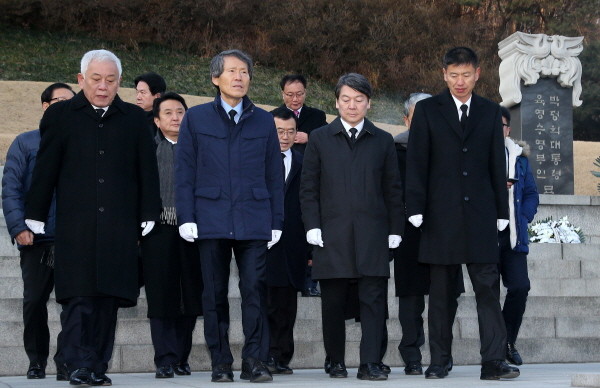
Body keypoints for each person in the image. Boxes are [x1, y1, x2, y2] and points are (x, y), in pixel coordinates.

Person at [25, 49, 161, 386]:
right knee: (80, 297)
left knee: (108, 300)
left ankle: (96, 365)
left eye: (111, 80)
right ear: (81, 80)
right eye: (96, 79)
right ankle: (79, 364)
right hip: (76, 225)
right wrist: (35, 213)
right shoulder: (60, 116)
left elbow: (147, 169)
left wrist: (148, 211)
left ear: (118, 83)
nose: (103, 86)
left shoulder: (133, 118)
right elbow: (46, 168)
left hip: (119, 224)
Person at [405, 46, 520, 380]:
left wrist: (501, 209)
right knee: (441, 293)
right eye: (453, 75)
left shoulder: (489, 110)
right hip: (440, 216)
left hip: (482, 216)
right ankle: (439, 360)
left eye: (466, 75)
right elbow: (417, 162)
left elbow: (496, 163)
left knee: (488, 288)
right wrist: (415, 206)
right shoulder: (427, 110)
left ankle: (493, 361)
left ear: (477, 74)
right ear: (444, 74)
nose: (460, 81)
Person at [175, 49, 284, 383]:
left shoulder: (264, 119)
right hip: (210, 217)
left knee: (255, 291)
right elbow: (185, 171)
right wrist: (186, 216)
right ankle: (220, 362)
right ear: (215, 78)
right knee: (214, 294)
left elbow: (274, 175)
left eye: (245, 72)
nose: (240, 77)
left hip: (253, 218)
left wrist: (276, 220)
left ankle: (255, 360)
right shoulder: (196, 118)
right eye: (233, 71)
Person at [300, 73, 403, 381]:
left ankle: (370, 362)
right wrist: (312, 226)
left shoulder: (382, 140)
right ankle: (334, 359)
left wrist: (396, 228)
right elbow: (308, 188)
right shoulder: (319, 138)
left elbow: (393, 189)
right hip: (331, 233)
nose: (352, 105)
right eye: (346, 99)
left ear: (368, 103)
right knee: (332, 302)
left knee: (373, 301)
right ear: (336, 102)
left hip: (372, 234)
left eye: (359, 99)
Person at [2, 82, 75, 380]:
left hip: (73, 239)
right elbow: (11, 188)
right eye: (59, 101)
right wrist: (19, 227)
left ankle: (66, 360)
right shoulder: (26, 142)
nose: (65, 107)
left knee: (74, 303)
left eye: (71, 103)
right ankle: (36, 361)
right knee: (34, 302)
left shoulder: (82, 143)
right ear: (45, 106)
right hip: (37, 240)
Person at [393, 92, 463, 375]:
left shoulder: (453, 146)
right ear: (406, 119)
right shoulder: (395, 149)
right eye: (416, 116)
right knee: (410, 295)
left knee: (447, 295)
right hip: (409, 231)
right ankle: (411, 354)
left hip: (446, 230)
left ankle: (441, 352)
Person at [141, 92, 203, 379]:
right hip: (158, 231)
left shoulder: (199, 149)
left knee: (190, 295)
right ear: (156, 119)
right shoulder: (147, 149)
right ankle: (164, 359)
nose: (175, 117)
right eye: (168, 113)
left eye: (180, 112)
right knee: (161, 296)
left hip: (193, 231)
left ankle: (181, 357)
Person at [271, 74, 327, 297]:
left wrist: (309, 136)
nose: (295, 99)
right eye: (290, 94)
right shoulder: (271, 117)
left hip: (306, 176)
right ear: (282, 94)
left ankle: (309, 279)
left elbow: (326, 139)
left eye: (300, 94)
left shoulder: (317, 116)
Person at [264, 109, 310, 375]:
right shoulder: (257, 160)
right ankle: (267, 352)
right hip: (264, 242)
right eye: (279, 131)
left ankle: (282, 356)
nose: (285, 136)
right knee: (267, 301)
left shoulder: (304, 162)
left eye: (290, 131)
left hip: (294, 243)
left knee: (287, 303)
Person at [499, 106, 539, 366]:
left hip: (514, 236)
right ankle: (494, 347)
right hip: (485, 236)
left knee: (520, 287)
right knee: (488, 295)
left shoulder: (520, 159)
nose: (497, 130)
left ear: (509, 129)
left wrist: (523, 216)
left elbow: (531, 194)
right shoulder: (476, 155)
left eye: (501, 125)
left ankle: (507, 342)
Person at [134, 71, 167, 136]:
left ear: (157, 96)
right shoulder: (132, 116)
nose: (138, 97)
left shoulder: (165, 122)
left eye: (143, 92)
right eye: (137, 92)